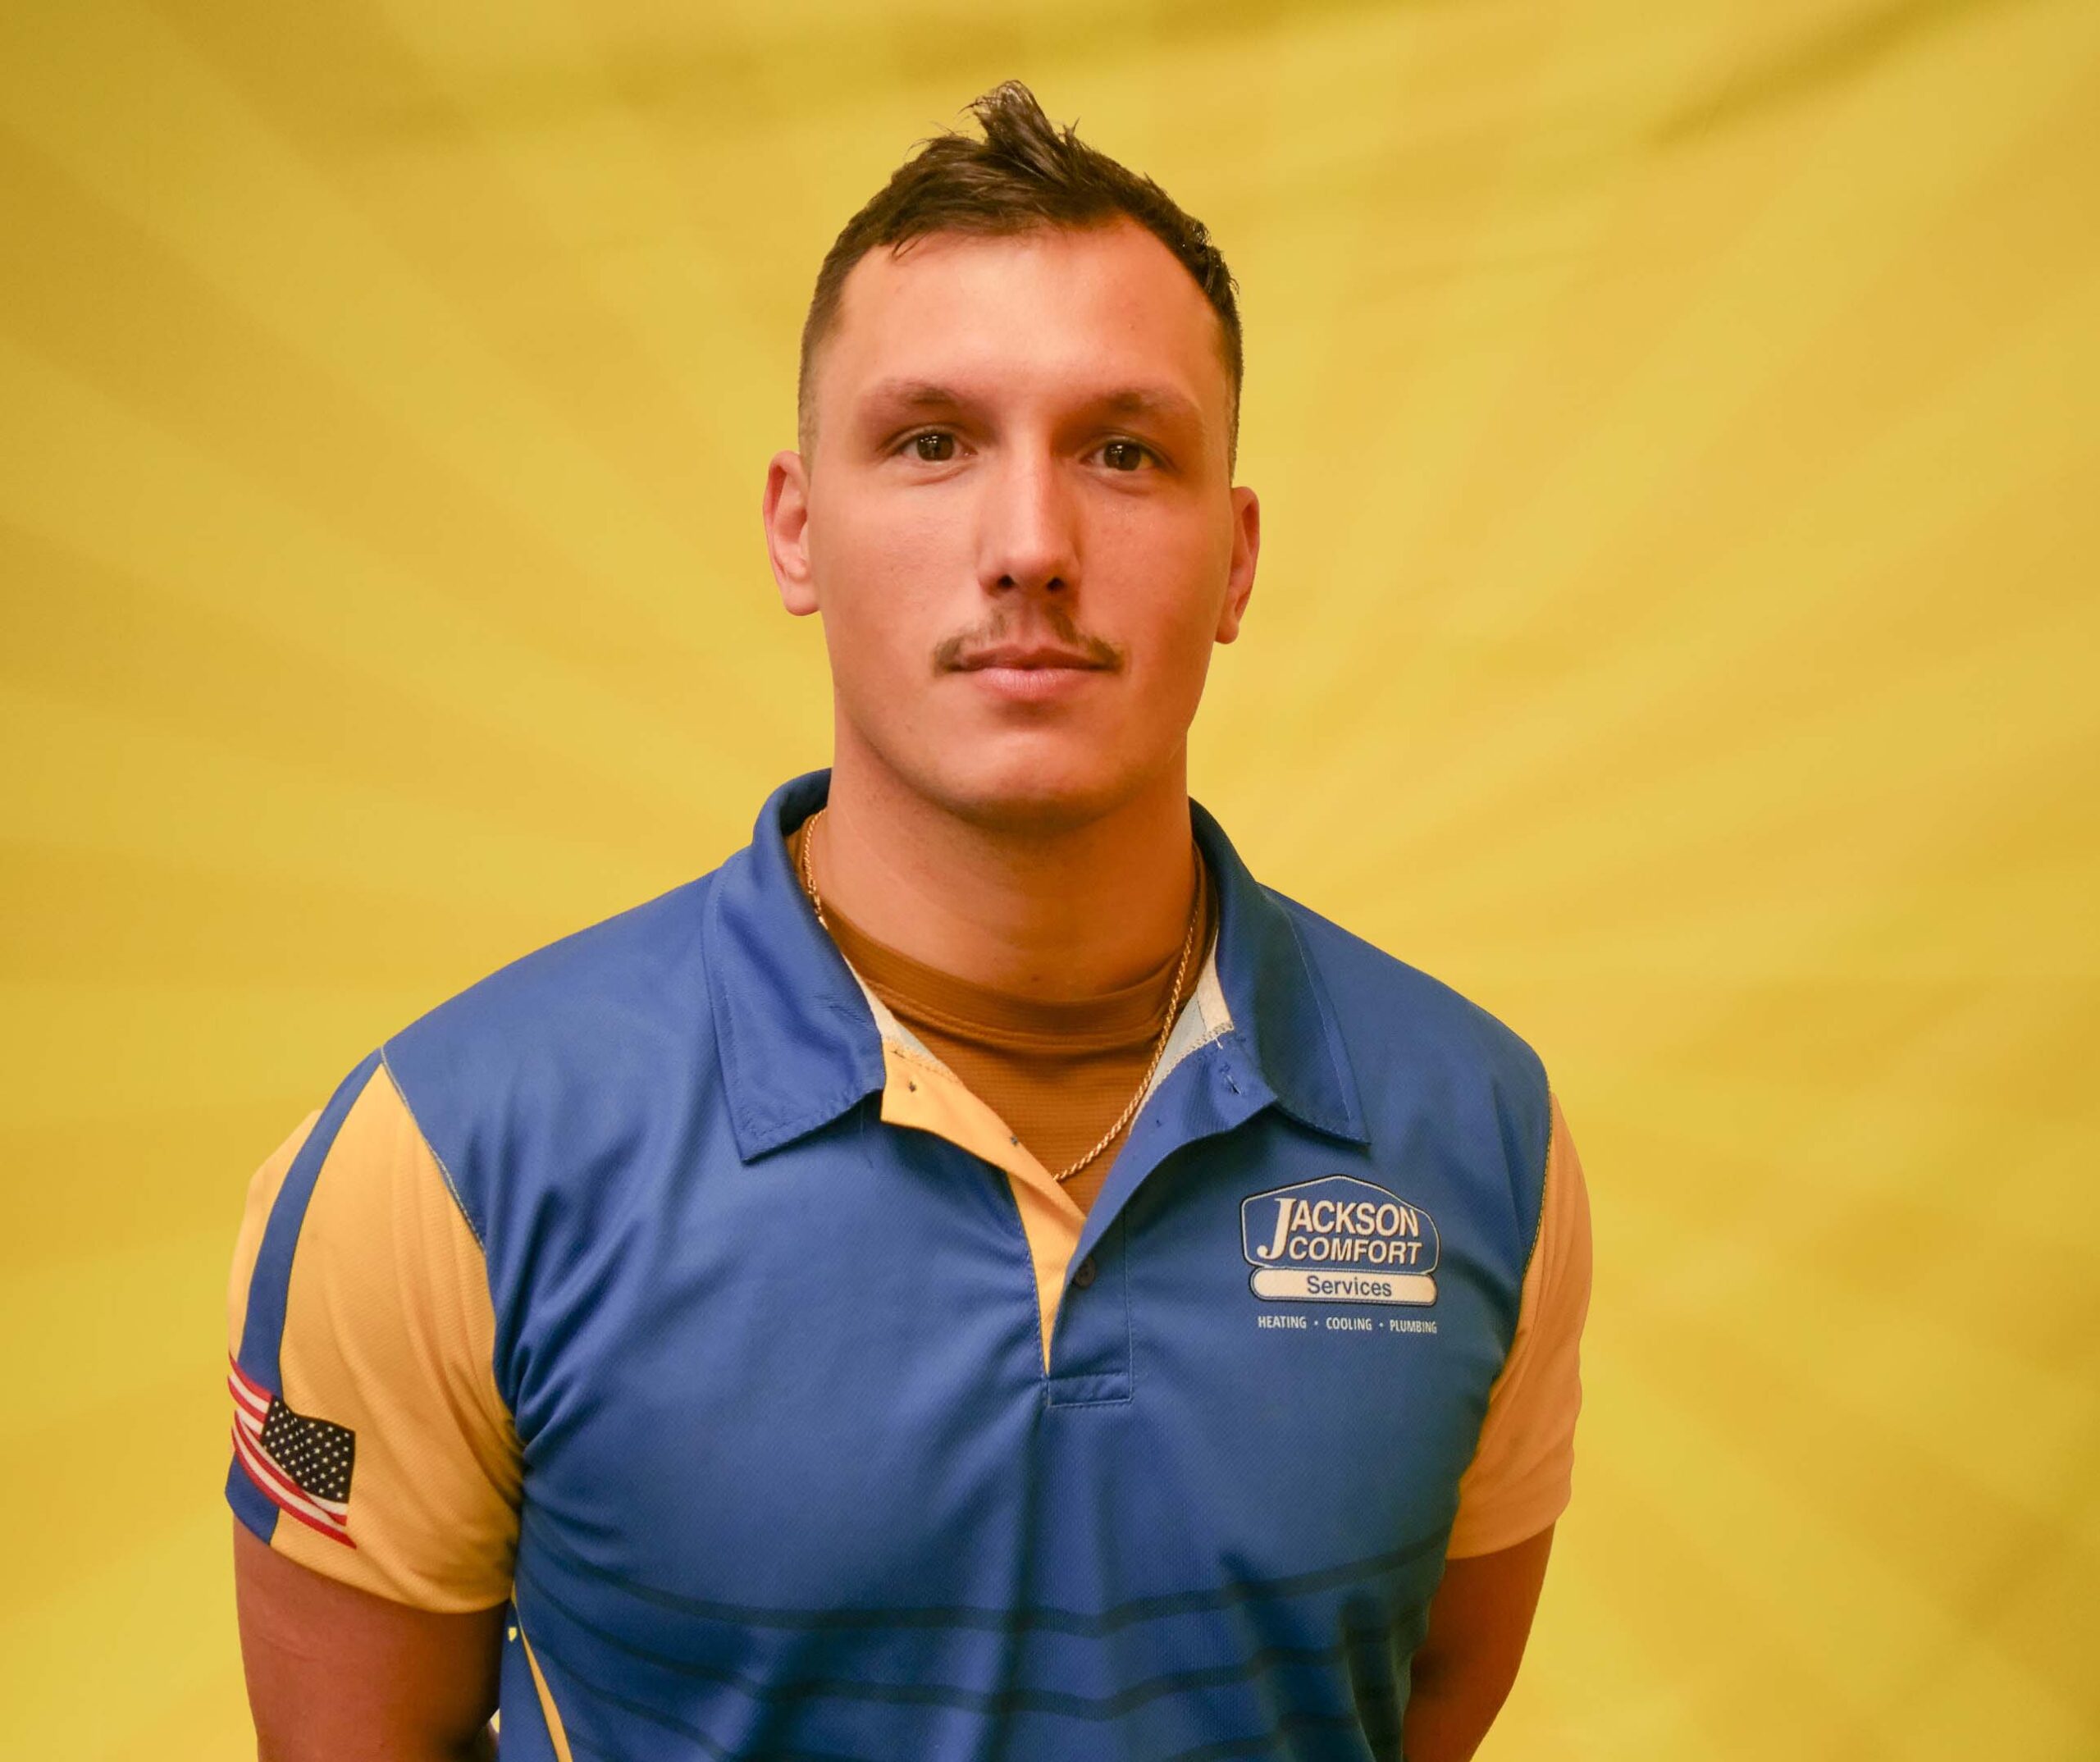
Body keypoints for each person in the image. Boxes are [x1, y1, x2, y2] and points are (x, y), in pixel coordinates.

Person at [227, 80, 1591, 1762]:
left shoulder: (1476, 1135)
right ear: (798, 527)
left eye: (1122, 451)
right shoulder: (437, 1157)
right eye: (931, 442)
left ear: (1233, 561)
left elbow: (1420, 1706)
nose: (1029, 545)